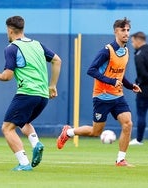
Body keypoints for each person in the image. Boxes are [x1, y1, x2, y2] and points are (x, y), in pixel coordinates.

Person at [56, 17, 141, 166]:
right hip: (102, 97)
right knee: (95, 132)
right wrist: (111, 81)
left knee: (128, 124)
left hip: (118, 96)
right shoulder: (106, 51)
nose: (126, 33)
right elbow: (91, 70)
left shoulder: (126, 51)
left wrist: (130, 86)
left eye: (128, 30)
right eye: (123, 30)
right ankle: (68, 132)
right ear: (116, 31)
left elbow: (119, 75)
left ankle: (120, 159)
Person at [0, 16, 61, 171]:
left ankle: (23, 163)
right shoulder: (37, 45)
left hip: (27, 93)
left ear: (9, 30)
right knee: (23, 122)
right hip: (42, 96)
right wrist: (52, 85)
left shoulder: (11, 48)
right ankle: (36, 143)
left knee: (7, 128)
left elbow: (8, 76)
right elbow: (57, 60)